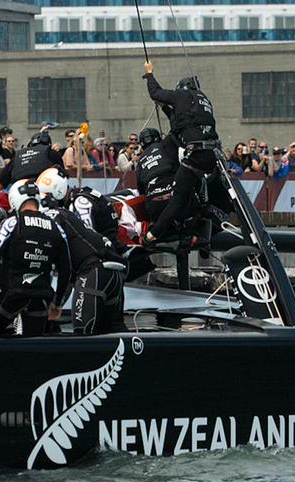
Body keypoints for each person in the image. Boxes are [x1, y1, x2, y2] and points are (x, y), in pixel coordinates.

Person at [0, 179, 71, 337]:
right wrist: (57, 304)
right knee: (33, 345)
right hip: (41, 297)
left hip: (12, 294)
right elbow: (66, 270)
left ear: (15, 200)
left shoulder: (13, 223)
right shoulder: (56, 227)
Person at [140, 60, 224, 247]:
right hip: (212, 154)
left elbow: (156, 93)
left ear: (182, 88)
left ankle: (151, 236)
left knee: (178, 198)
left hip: (195, 155)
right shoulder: (203, 101)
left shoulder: (182, 96)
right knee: (196, 189)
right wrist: (163, 106)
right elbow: (181, 121)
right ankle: (199, 224)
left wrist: (149, 74)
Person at [37, 168, 127, 335]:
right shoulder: (78, 201)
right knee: (115, 331)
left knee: (83, 332)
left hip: (93, 270)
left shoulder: (77, 205)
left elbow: (79, 250)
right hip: (112, 267)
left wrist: (57, 302)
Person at [0, 130, 65, 192]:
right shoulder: (52, 152)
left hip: (19, 193)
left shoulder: (18, 155)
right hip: (44, 193)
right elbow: (63, 177)